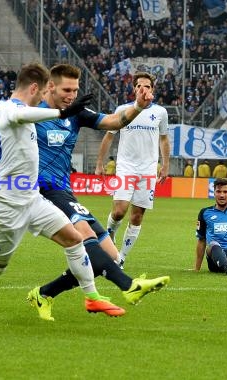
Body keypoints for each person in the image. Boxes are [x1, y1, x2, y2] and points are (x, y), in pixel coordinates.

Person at [0, 63, 121, 318]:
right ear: (35, 87)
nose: (44, 97)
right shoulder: (12, 110)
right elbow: (19, 117)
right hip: (6, 205)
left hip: (32, 199)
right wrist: (60, 113)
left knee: (74, 239)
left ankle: (92, 297)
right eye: (43, 91)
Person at [27, 64, 170, 321]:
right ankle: (129, 286)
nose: (72, 95)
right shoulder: (29, 113)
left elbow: (113, 121)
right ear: (50, 86)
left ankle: (44, 293)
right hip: (41, 189)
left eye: (76, 90)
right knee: (85, 237)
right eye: (67, 89)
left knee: (110, 256)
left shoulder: (77, 113)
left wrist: (137, 105)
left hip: (64, 190)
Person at [95, 72, 170, 268]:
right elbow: (109, 136)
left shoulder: (160, 112)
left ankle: (120, 258)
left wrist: (165, 164)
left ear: (152, 90)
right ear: (134, 89)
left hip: (148, 170)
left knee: (137, 216)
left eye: (147, 86)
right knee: (119, 211)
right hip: (126, 167)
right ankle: (109, 235)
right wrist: (99, 163)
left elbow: (163, 139)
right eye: (139, 86)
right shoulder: (123, 110)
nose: (143, 89)